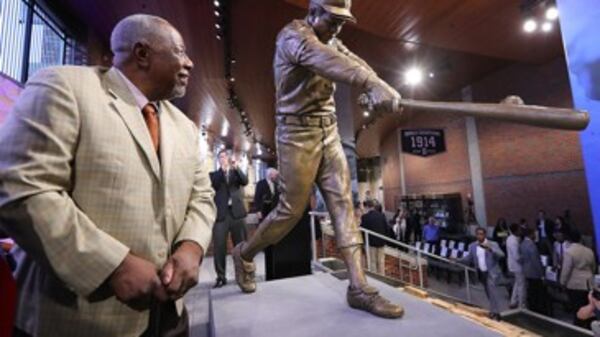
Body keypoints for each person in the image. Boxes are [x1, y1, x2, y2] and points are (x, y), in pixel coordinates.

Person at [0, 14, 216, 337]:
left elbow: (201, 195)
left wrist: (192, 247)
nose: (190, 64)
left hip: (170, 318)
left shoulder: (184, 127)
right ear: (142, 54)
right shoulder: (65, 87)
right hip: (80, 321)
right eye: (180, 52)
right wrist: (113, 264)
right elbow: (21, 188)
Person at [231, 0, 404, 318]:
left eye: (342, 22)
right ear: (313, 13)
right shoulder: (294, 37)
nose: (338, 28)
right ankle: (245, 252)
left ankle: (358, 288)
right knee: (290, 211)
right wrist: (370, 84)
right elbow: (326, 61)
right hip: (296, 135)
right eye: (333, 20)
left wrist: (380, 86)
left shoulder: (332, 39)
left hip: (329, 133)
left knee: (343, 205)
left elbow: (353, 62)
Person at [210, 149, 249, 288]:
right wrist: (223, 170)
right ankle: (221, 276)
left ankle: (244, 274)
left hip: (237, 214)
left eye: (225, 156)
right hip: (221, 215)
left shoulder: (236, 173)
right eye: (220, 157)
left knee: (241, 246)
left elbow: (245, 181)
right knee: (219, 247)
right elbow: (213, 184)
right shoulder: (214, 175)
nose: (223, 159)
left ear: (229, 158)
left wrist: (236, 166)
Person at [458, 227, 505, 321]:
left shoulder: (492, 244)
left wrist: (491, 249)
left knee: (492, 292)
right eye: (478, 234)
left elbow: (502, 255)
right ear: (476, 235)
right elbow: (468, 258)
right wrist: (457, 260)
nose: (480, 236)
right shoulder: (472, 246)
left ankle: (496, 313)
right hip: (481, 272)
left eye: (482, 234)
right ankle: (493, 310)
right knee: (488, 292)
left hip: (491, 272)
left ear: (485, 235)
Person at [561, 231, 597, 328]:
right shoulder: (589, 251)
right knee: (589, 308)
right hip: (589, 283)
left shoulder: (569, 252)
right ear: (580, 239)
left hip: (575, 284)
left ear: (570, 240)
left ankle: (578, 330)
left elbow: (566, 270)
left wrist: (562, 282)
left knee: (577, 309)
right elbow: (593, 267)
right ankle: (590, 328)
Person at [521, 228, 549, 315]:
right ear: (530, 234)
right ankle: (537, 308)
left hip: (526, 270)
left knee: (531, 290)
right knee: (536, 291)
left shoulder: (522, 244)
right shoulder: (531, 245)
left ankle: (532, 306)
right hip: (534, 272)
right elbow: (536, 261)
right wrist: (542, 275)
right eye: (534, 234)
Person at [360, 200, 390, 274]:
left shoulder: (365, 217)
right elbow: (387, 228)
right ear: (373, 206)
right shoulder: (381, 215)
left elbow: (362, 231)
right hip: (381, 242)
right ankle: (382, 277)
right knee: (381, 262)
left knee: (372, 262)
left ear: (367, 207)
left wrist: (363, 243)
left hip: (370, 243)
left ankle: (375, 278)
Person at [507, 223, 526, 309]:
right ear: (515, 231)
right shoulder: (514, 241)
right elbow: (517, 256)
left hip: (512, 264)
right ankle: (521, 304)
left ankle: (513, 301)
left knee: (517, 283)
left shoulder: (509, 238)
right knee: (521, 285)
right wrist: (524, 258)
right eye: (519, 229)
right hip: (517, 266)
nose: (520, 231)